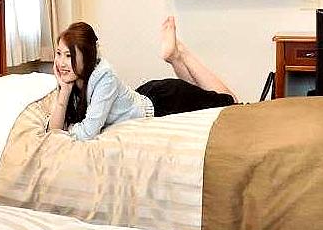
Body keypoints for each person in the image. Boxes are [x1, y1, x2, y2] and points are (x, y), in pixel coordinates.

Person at [49, 19, 238, 140]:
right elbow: (54, 130)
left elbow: (87, 132)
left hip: (167, 101)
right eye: (58, 54)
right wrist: (64, 90)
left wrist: (68, 130)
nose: (61, 63)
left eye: (69, 55)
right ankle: (175, 56)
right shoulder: (72, 80)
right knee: (204, 94)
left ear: (88, 57)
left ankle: (180, 54)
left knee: (230, 103)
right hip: (144, 96)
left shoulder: (104, 76)